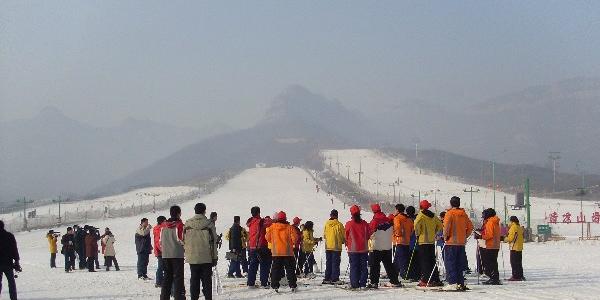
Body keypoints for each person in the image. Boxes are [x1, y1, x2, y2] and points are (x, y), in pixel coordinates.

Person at [184, 203, 218, 300]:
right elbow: (213, 242)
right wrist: (215, 257)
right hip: (206, 257)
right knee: (207, 281)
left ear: (195, 210)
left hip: (192, 257)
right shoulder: (209, 224)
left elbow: (184, 240)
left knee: (194, 280)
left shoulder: (187, 224)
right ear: (204, 211)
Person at [442, 196, 473, 291]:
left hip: (451, 242)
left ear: (451, 203)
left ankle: (452, 282)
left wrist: (445, 236)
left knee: (450, 263)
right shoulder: (464, 214)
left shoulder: (450, 213)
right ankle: (460, 282)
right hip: (461, 242)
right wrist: (464, 236)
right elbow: (470, 227)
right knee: (459, 263)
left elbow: (446, 227)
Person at [368, 204, 401, 288]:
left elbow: (369, 233)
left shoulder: (374, 221)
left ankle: (374, 282)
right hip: (387, 246)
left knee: (375, 265)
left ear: (373, 211)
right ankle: (394, 281)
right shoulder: (388, 220)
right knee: (389, 265)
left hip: (376, 246)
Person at [265, 211, 298, 292]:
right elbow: (295, 239)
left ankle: (275, 285)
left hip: (276, 252)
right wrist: (291, 243)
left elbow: (267, 238)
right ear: (285, 218)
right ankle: (293, 285)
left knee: (276, 269)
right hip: (287, 252)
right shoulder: (290, 227)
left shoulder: (272, 227)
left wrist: (274, 242)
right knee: (290, 269)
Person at [414, 200, 443, 287]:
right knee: (432, 261)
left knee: (424, 262)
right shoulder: (433, 215)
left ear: (420, 207)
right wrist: (435, 232)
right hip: (431, 241)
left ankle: (426, 280)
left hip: (423, 241)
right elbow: (440, 225)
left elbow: (416, 225)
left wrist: (418, 234)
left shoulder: (420, 216)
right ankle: (435, 279)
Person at [160, 206, 185, 300]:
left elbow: (160, 241)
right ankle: (179, 297)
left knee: (166, 278)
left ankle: (164, 297)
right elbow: (181, 240)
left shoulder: (163, 226)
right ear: (179, 213)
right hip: (177, 255)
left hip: (166, 255)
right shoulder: (179, 225)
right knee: (178, 279)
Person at [345, 205, 371, 290]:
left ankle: (355, 284)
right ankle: (363, 284)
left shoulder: (349, 224)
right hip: (363, 248)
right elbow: (368, 235)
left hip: (353, 249)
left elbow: (346, 236)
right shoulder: (365, 224)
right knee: (363, 267)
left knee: (354, 267)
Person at [246, 206, 270, 288]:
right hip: (260, 247)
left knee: (253, 266)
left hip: (252, 247)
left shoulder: (250, 222)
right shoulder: (261, 221)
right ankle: (264, 283)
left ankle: (250, 283)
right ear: (259, 212)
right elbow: (269, 222)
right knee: (264, 265)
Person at [477, 208, 501, 285]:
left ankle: (493, 278)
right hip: (495, 244)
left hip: (491, 244)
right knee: (493, 262)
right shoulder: (495, 222)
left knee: (490, 263)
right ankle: (494, 278)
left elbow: (489, 235)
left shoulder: (490, 222)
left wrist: (480, 236)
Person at [322, 209, 344, 285]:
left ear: (330, 215)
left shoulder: (327, 224)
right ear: (337, 216)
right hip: (336, 247)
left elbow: (324, 235)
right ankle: (334, 278)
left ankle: (327, 278)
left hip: (328, 246)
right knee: (335, 263)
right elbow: (342, 236)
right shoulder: (339, 224)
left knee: (329, 262)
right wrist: (343, 241)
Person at [0, 220, 20, 300]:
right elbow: (14, 249)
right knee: (11, 283)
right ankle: (13, 298)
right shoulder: (9, 236)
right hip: (8, 263)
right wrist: (17, 261)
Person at [393, 204, 413, 279]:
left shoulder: (397, 218)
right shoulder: (408, 219)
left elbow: (397, 227)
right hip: (407, 241)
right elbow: (412, 229)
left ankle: (403, 275)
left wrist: (398, 234)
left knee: (400, 258)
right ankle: (394, 273)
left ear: (397, 210)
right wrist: (408, 235)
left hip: (399, 241)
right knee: (400, 258)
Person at [505, 216, 525, 281]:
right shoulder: (519, 227)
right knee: (519, 262)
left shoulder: (513, 227)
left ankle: (515, 276)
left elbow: (511, 238)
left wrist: (504, 239)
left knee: (514, 262)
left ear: (512, 221)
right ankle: (520, 275)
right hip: (519, 247)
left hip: (514, 247)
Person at [153, 216, 167, 288]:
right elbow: (158, 241)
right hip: (161, 251)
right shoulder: (160, 229)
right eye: (165, 220)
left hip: (159, 251)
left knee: (161, 267)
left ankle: (160, 281)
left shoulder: (157, 228)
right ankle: (159, 282)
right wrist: (163, 250)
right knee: (161, 267)